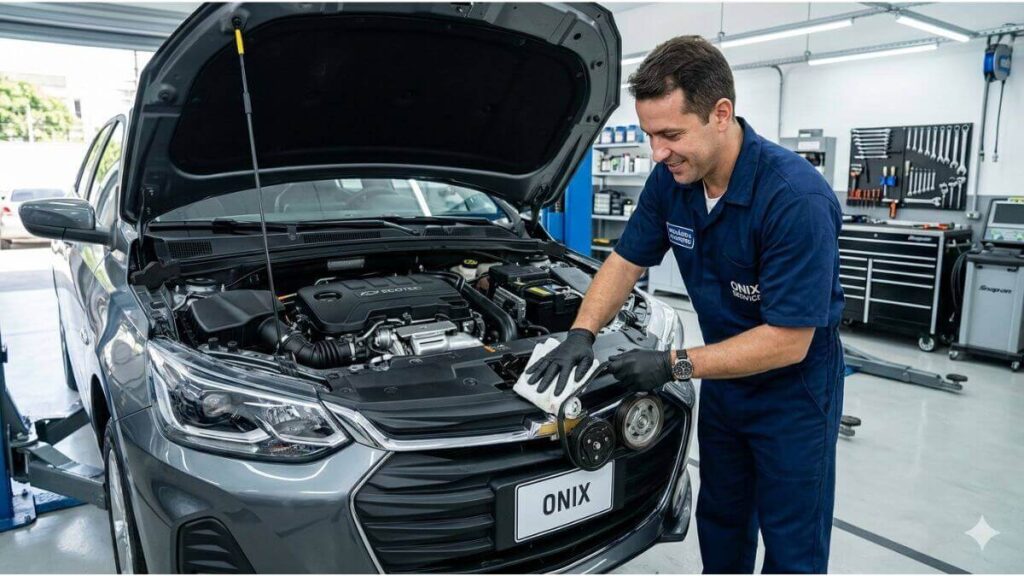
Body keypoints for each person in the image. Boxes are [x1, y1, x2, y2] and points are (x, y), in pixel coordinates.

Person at [525, 36, 845, 574]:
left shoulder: (795, 199)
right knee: (721, 519)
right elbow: (624, 261)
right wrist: (582, 331)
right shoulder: (672, 181)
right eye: (650, 135)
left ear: (720, 114)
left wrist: (672, 364)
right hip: (726, 381)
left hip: (795, 394)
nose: (657, 152)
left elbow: (789, 341)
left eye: (671, 135)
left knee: (793, 541)